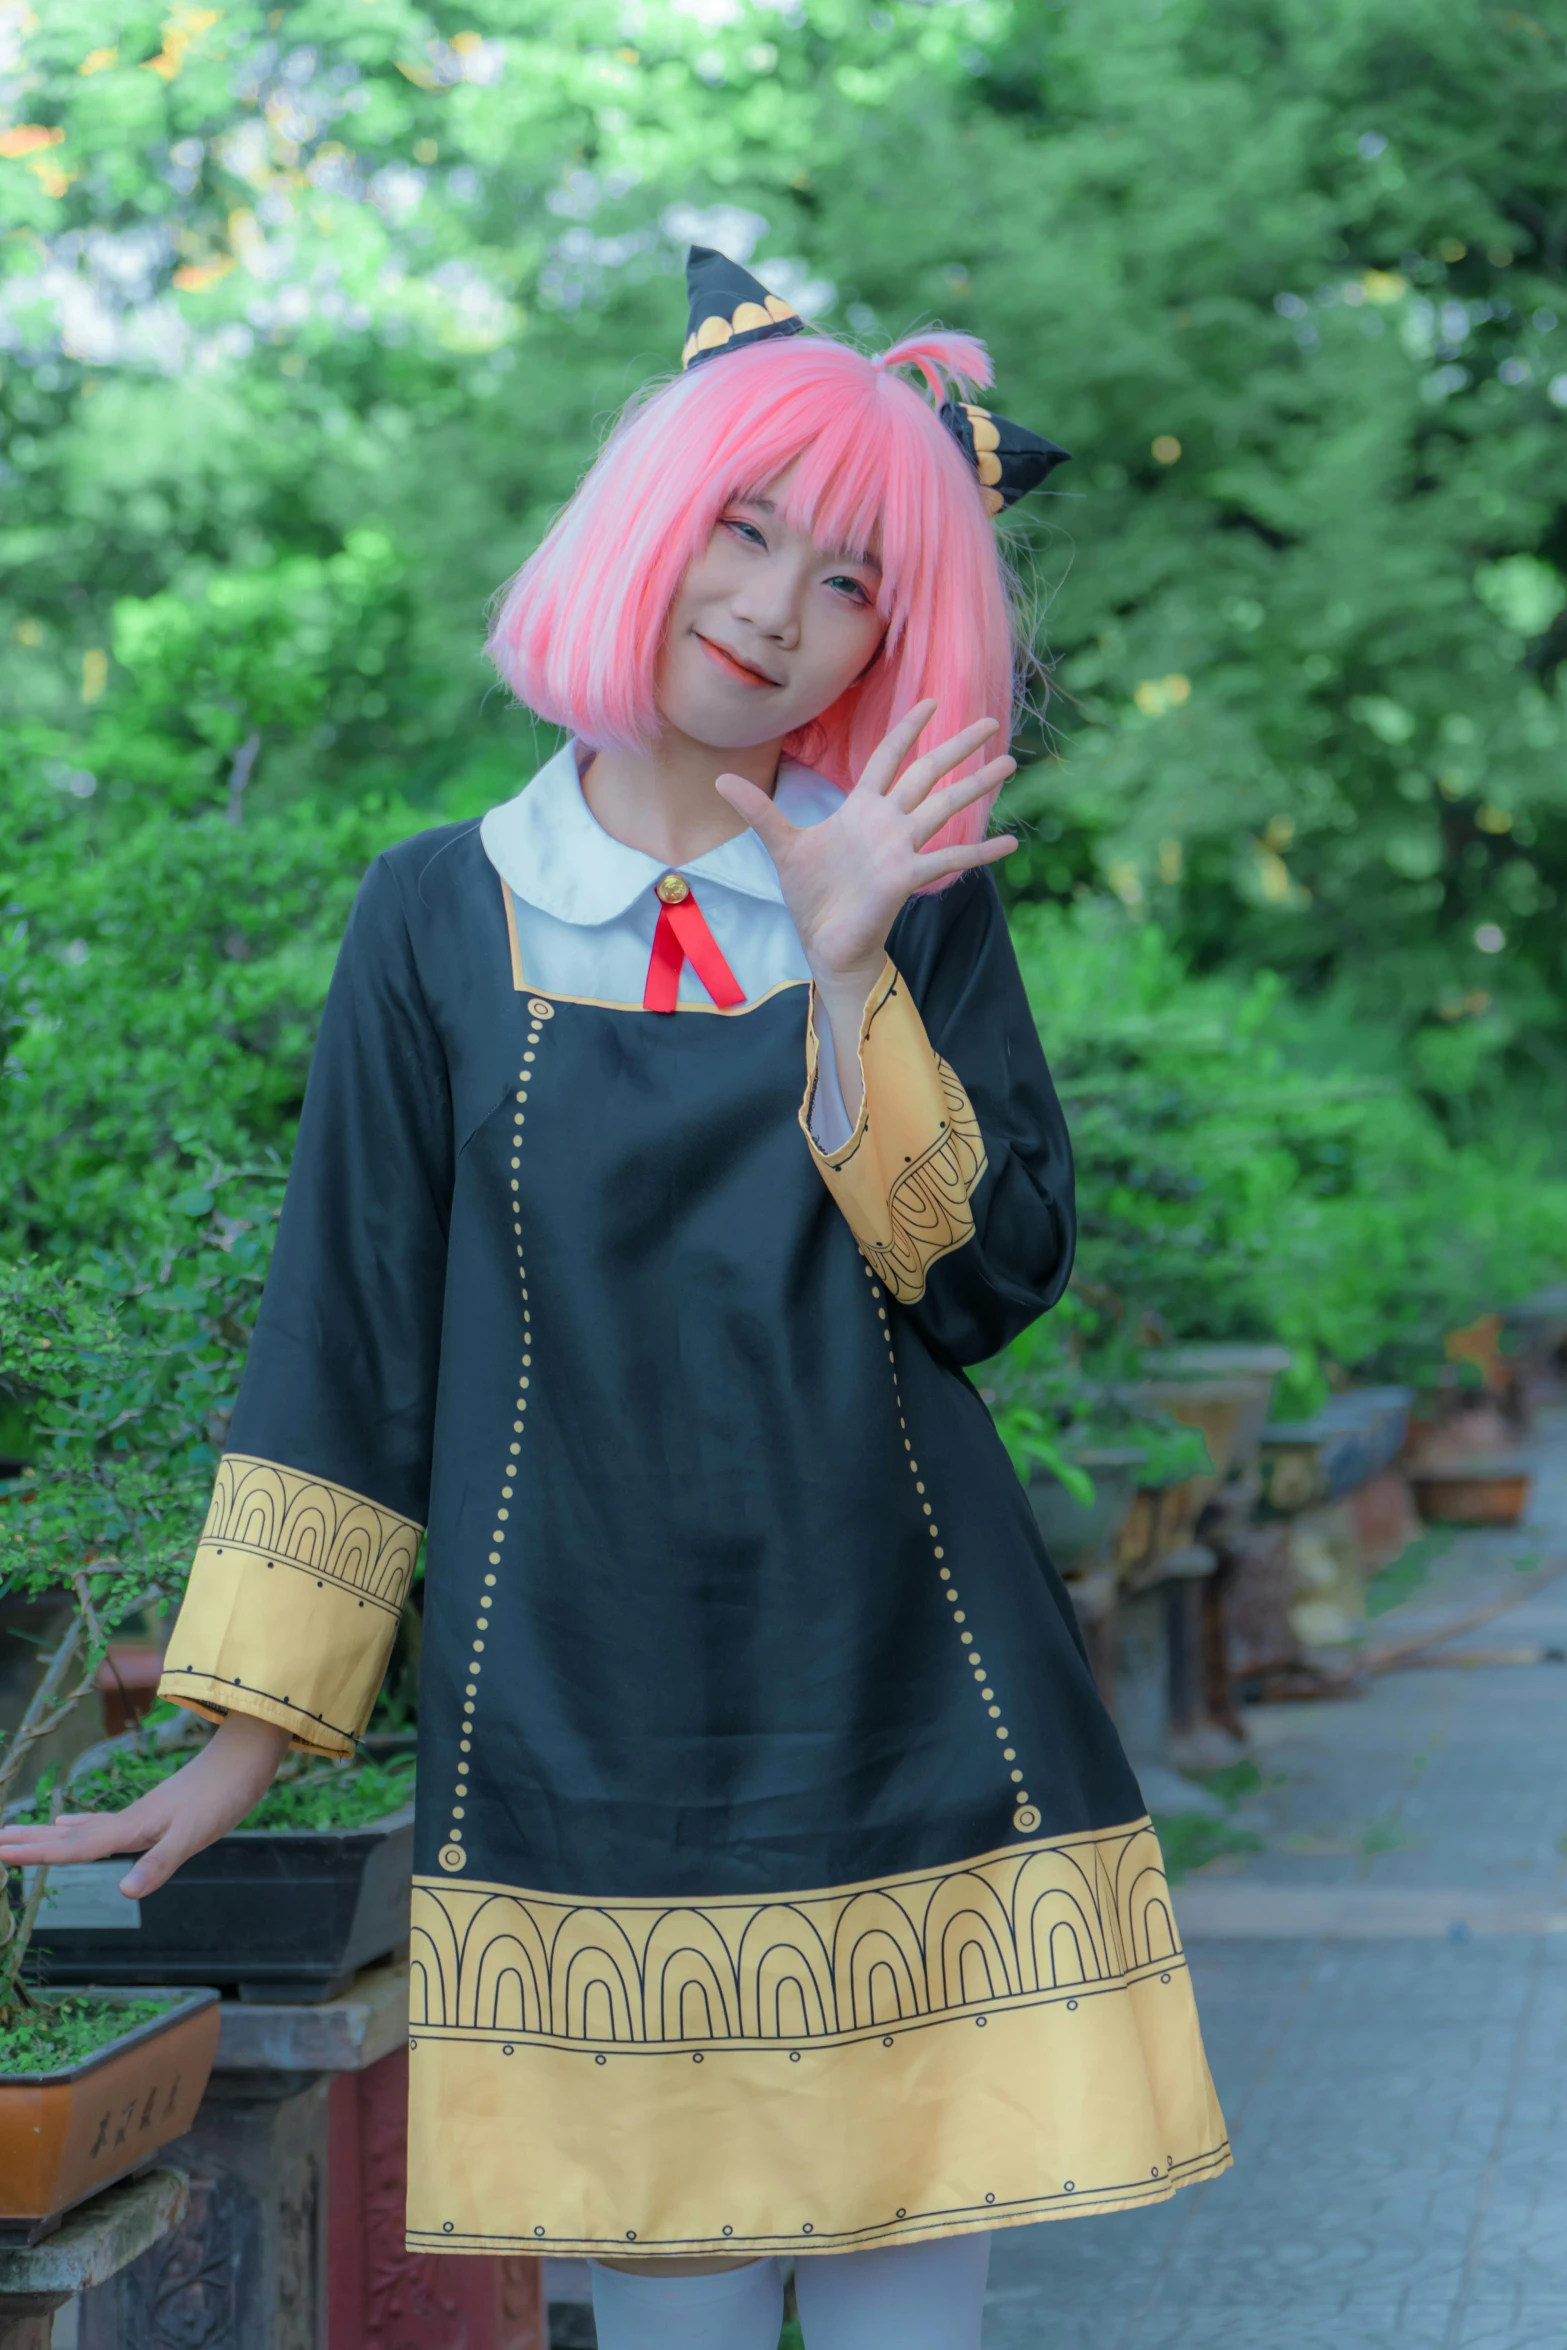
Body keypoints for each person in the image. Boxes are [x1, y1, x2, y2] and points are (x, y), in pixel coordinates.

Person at [0, 249, 1229, 2350]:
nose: (770, 605)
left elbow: (991, 1274)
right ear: (650, 519)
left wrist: (854, 961)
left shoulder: (910, 882)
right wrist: (236, 1741)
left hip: (915, 1712)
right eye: (744, 528)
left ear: (895, 626)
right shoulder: (435, 911)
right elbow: (348, 1335)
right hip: (581, 1741)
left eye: (847, 576)